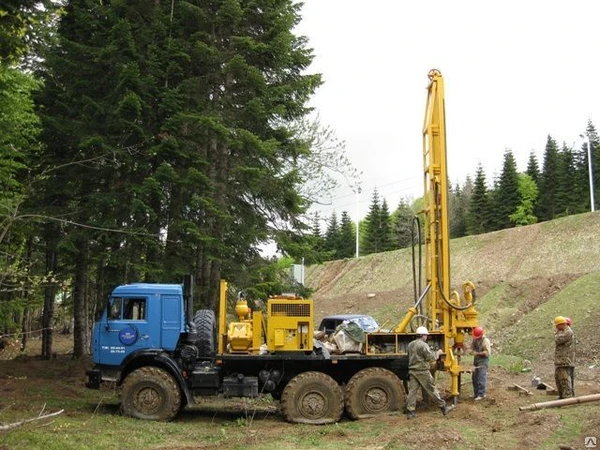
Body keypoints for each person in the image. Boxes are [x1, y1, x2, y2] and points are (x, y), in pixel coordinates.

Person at [405, 326, 453, 418]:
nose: (426, 337)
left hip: (412, 370)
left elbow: (409, 356)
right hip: (422, 371)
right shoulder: (423, 345)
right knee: (432, 390)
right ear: (422, 335)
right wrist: (438, 353)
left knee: (412, 391)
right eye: (426, 335)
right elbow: (431, 357)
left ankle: (410, 412)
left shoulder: (410, 344)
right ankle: (443, 407)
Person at [553, 316, 575, 399]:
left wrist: (557, 334)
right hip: (560, 360)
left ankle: (567, 397)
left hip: (564, 360)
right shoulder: (562, 331)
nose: (556, 327)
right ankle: (561, 396)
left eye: (557, 325)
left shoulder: (568, 332)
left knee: (564, 379)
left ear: (561, 324)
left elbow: (558, 339)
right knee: (558, 379)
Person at [470, 326, 491, 400]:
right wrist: (470, 351)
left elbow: (487, 353)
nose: (476, 338)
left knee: (481, 377)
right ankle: (476, 394)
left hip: (483, 361)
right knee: (474, 377)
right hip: (476, 361)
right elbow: (472, 348)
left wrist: (478, 353)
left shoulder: (485, 341)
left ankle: (481, 394)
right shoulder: (475, 339)